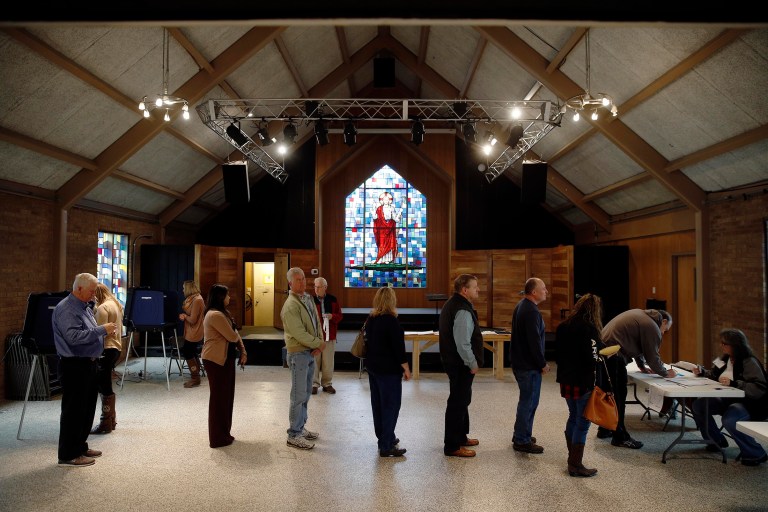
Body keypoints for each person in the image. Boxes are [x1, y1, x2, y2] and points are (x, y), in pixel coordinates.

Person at [52, 272, 118, 466]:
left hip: (88, 364)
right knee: (73, 412)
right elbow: (73, 337)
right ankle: (68, 455)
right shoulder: (66, 308)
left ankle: (80, 446)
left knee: (86, 410)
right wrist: (102, 330)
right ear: (79, 288)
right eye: (91, 291)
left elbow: (87, 332)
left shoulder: (84, 306)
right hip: (74, 366)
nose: (94, 294)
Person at [599, 308, 676, 449]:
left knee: (609, 393)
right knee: (619, 396)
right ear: (663, 321)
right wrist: (666, 373)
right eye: (666, 330)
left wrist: (641, 365)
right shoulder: (652, 326)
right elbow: (652, 357)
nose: (663, 333)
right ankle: (620, 437)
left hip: (605, 352)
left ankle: (605, 429)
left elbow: (638, 343)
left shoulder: (642, 316)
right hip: (614, 356)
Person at [691, 328, 768, 466]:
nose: (721, 346)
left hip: (748, 403)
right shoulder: (723, 359)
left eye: (724, 343)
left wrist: (735, 383)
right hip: (726, 398)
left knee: (730, 419)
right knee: (699, 405)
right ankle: (715, 441)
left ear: (735, 345)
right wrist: (702, 372)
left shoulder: (749, 361)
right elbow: (713, 374)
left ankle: (755, 452)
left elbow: (759, 387)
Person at [555, 293, 605, 477]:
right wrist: (603, 355)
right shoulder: (590, 329)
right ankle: (575, 464)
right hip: (582, 380)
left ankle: (572, 457)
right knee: (583, 422)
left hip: (565, 379)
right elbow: (592, 357)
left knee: (573, 415)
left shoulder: (563, 326)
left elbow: (557, 354)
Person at [439, 274, 484, 457]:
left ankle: (460, 437)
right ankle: (452, 446)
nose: (478, 289)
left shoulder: (454, 304)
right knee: (457, 403)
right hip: (460, 364)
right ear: (465, 290)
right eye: (475, 287)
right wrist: (472, 363)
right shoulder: (462, 310)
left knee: (462, 400)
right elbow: (463, 343)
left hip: (455, 362)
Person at [282, 267, 326, 450]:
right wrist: (317, 343)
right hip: (298, 354)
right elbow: (299, 333)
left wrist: (319, 342)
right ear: (290, 283)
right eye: (298, 280)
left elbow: (316, 322)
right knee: (298, 395)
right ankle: (293, 434)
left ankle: (300, 426)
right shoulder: (290, 305)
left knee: (306, 393)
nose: (302, 282)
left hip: (308, 352)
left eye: (303, 279)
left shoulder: (306, 299)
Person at [364, 286, 411, 457]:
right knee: (391, 406)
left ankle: (385, 437)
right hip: (389, 371)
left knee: (378, 406)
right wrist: (406, 368)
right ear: (392, 301)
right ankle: (386, 445)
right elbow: (399, 349)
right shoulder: (391, 321)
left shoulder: (371, 319)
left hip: (373, 368)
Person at [201, 284, 247, 448]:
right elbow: (232, 336)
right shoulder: (215, 315)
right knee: (219, 400)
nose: (229, 297)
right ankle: (217, 438)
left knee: (226, 398)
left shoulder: (222, 313)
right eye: (227, 295)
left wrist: (243, 351)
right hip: (215, 360)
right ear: (220, 297)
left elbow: (234, 334)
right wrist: (239, 342)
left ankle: (224, 434)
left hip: (225, 358)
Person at [509, 277, 550, 454]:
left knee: (527, 400)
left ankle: (521, 433)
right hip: (528, 365)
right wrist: (542, 364)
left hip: (521, 362)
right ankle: (522, 440)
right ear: (534, 292)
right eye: (543, 288)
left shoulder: (522, 305)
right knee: (529, 402)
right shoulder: (531, 311)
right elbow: (534, 342)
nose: (546, 291)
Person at [90, 283, 123, 435]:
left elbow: (99, 332)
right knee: (105, 383)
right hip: (116, 348)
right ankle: (111, 420)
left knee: (103, 385)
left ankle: (105, 422)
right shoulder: (116, 304)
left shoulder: (103, 308)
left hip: (106, 348)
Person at [312, 276, 343, 395]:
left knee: (328, 361)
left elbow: (340, 316)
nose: (316, 289)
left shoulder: (333, 299)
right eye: (315, 286)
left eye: (319, 287)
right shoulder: (310, 300)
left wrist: (332, 316)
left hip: (330, 335)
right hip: (315, 336)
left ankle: (327, 384)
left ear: (325, 287)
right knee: (314, 361)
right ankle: (314, 384)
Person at [179, 280, 205, 388]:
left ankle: (195, 377)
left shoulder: (197, 300)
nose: (183, 290)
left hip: (195, 330)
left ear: (188, 288)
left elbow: (193, 320)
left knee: (188, 351)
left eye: (184, 288)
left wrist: (184, 316)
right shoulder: (192, 298)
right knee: (192, 351)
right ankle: (196, 374)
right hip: (191, 330)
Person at [373, 191, 401, 264]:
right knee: (382, 244)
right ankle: (381, 258)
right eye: (384, 199)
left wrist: (399, 213)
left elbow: (395, 219)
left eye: (387, 199)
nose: (386, 201)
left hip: (390, 228)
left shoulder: (392, 208)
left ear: (389, 201)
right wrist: (373, 210)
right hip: (382, 228)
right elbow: (375, 218)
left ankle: (388, 259)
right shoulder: (379, 208)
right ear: (382, 200)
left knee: (390, 244)